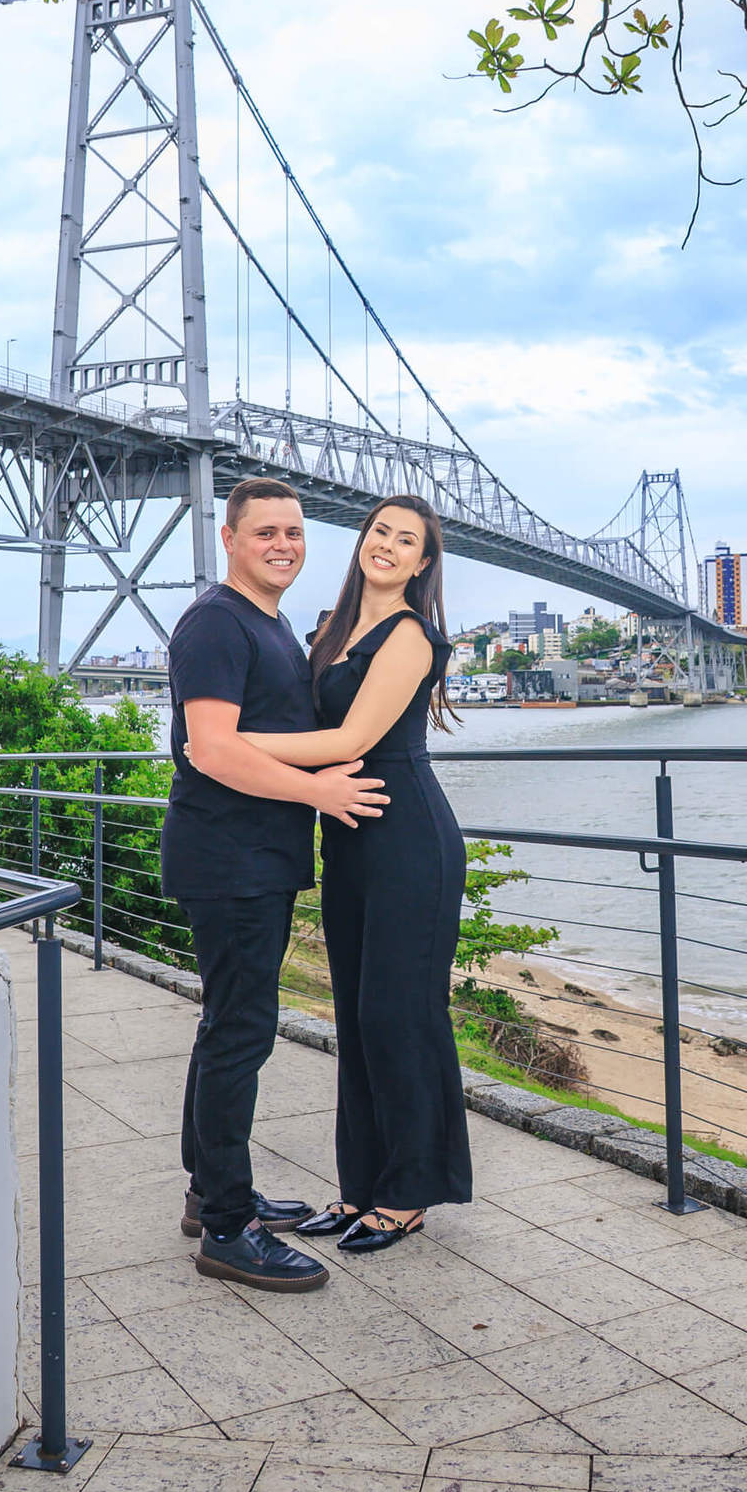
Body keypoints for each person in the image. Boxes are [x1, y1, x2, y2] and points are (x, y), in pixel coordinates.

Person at [225, 494, 472, 1253]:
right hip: (349, 837)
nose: (388, 547)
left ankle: (409, 1193)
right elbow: (314, 734)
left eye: (407, 541)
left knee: (403, 1015)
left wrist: (231, 746)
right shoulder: (329, 633)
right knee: (359, 1020)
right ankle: (361, 1187)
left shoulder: (411, 637)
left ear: (423, 562)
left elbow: (354, 735)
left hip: (409, 840)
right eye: (379, 533)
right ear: (362, 542)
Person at [162, 476, 389, 1293]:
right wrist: (320, 792)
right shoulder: (216, 623)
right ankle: (228, 1230)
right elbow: (211, 749)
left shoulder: (270, 623)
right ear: (229, 538)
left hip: (249, 859)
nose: (284, 545)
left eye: (293, 532)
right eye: (265, 533)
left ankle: (208, 1191)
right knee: (242, 1035)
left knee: (227, 1024)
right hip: (229, 861)